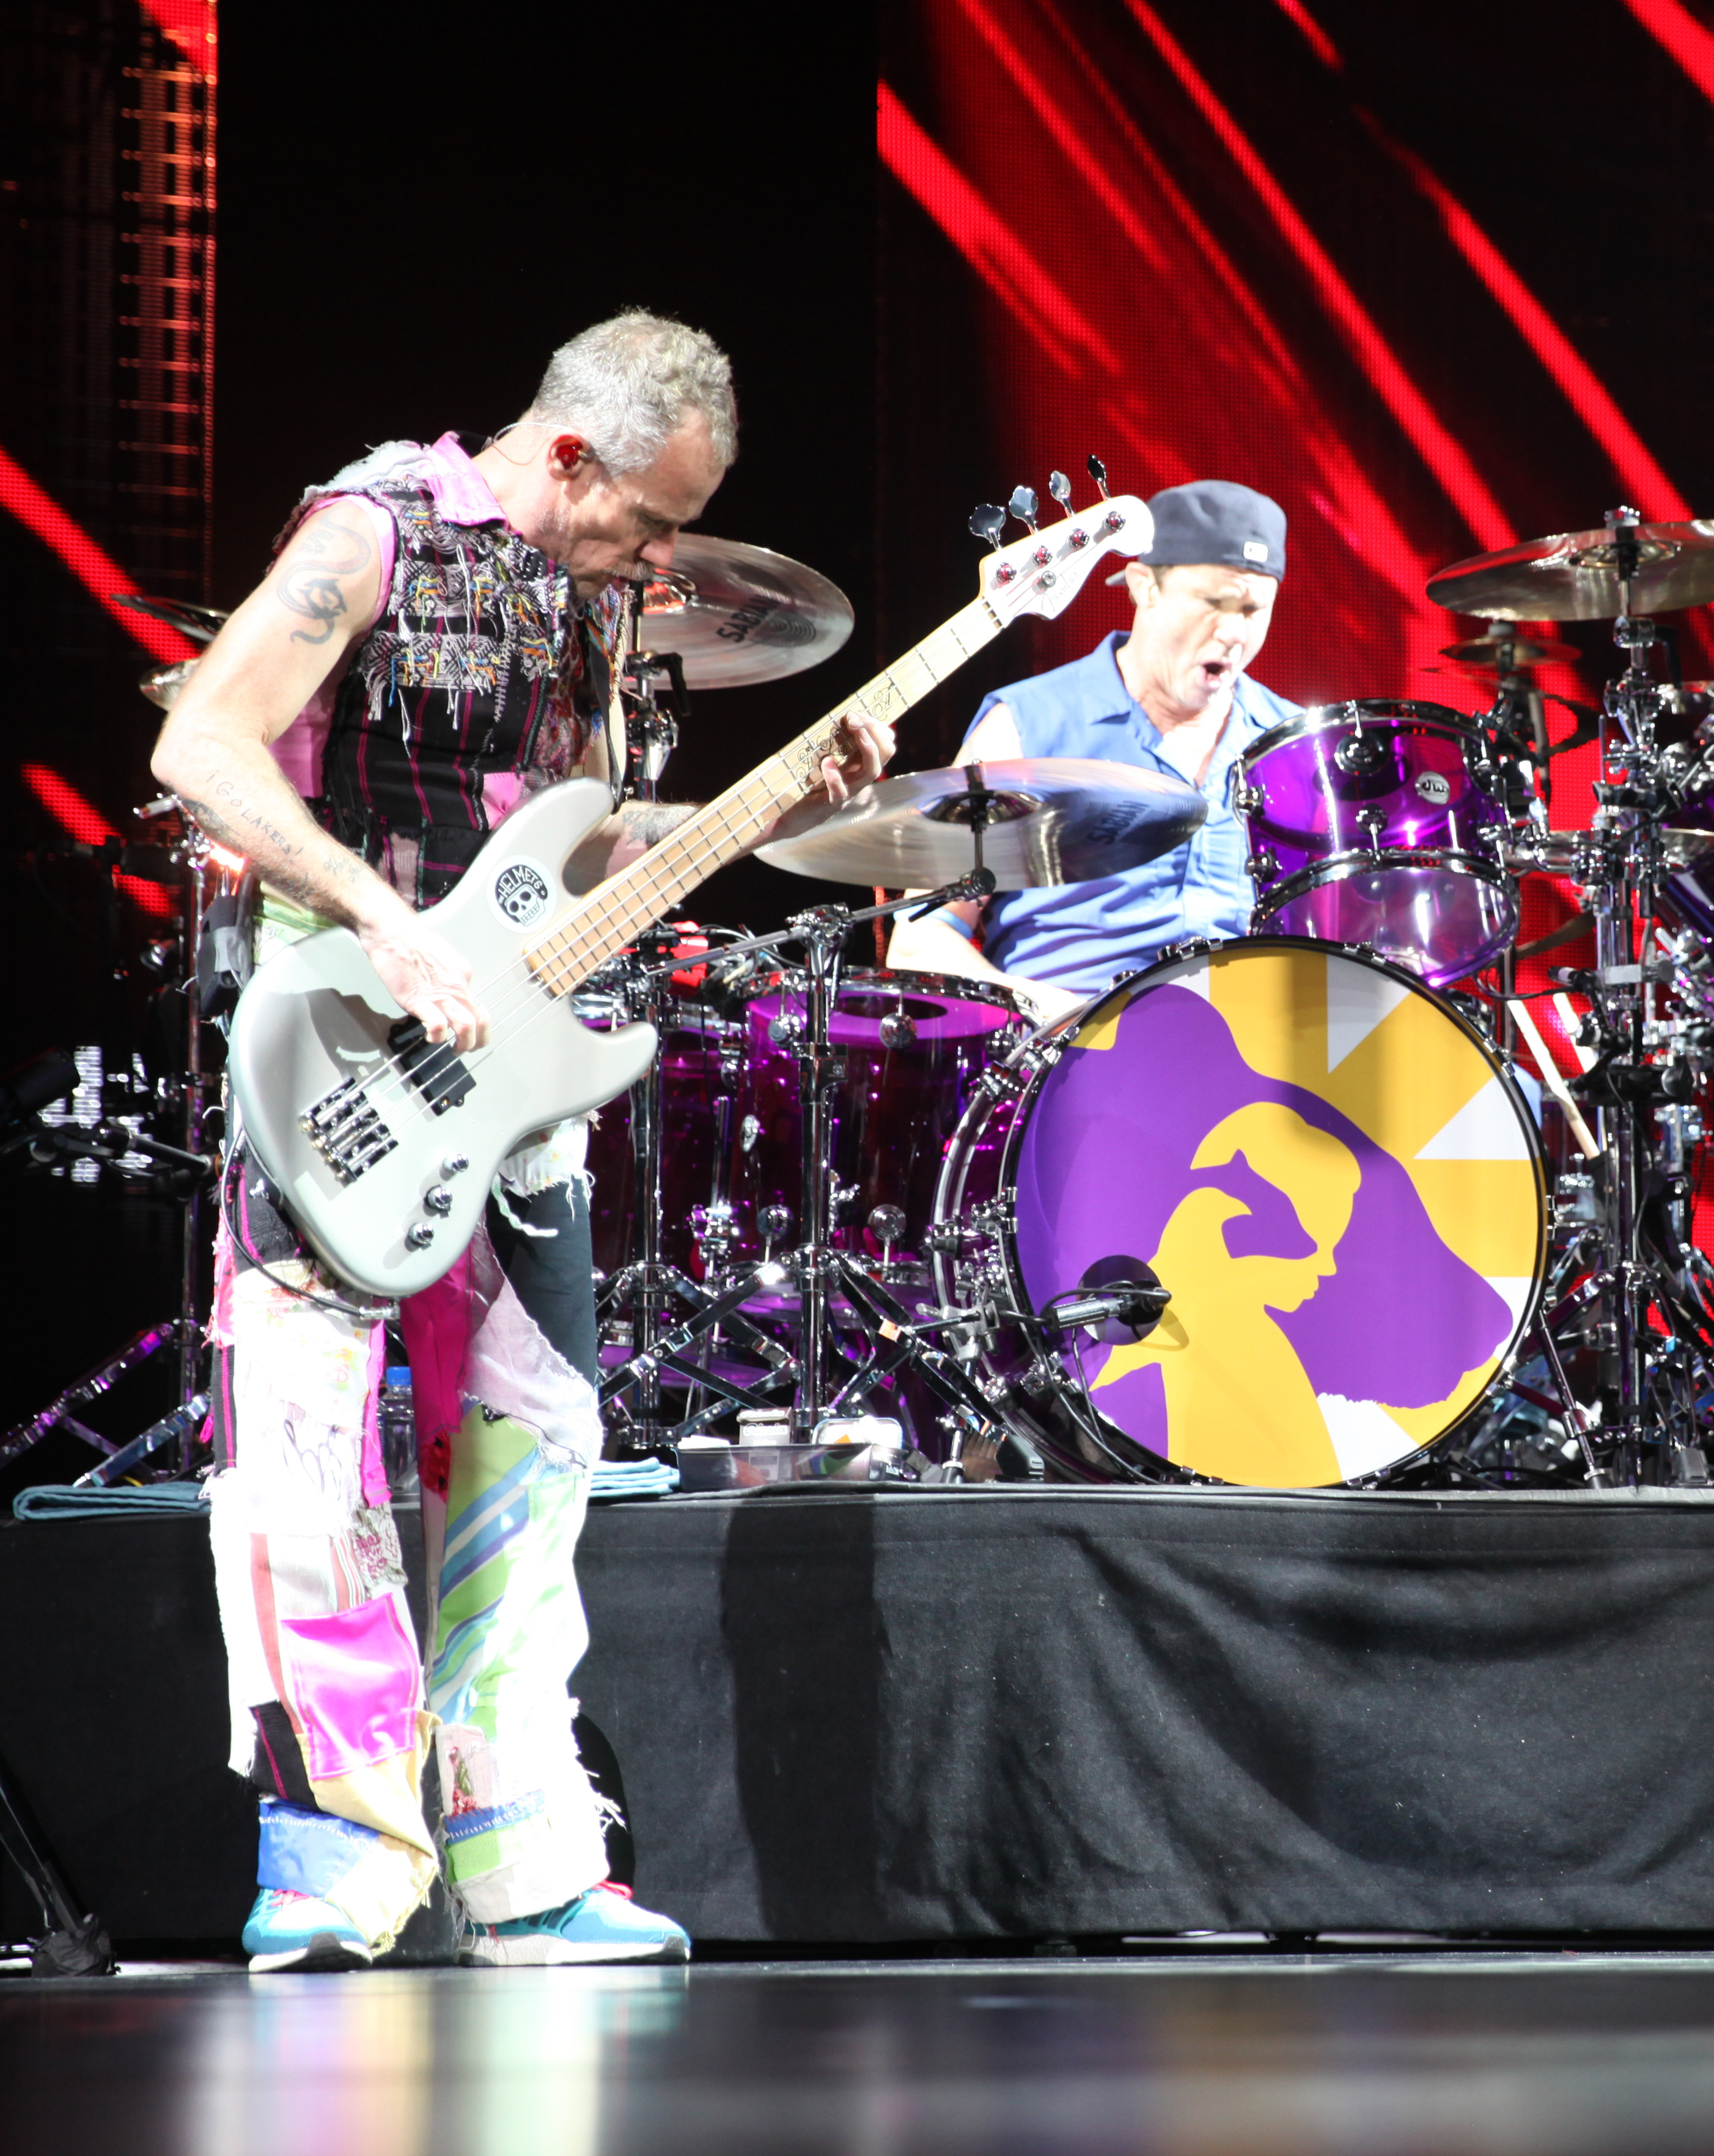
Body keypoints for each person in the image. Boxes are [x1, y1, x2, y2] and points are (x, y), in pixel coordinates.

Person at [150, 312, 891, 1971]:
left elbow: (580, 851)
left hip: (517, 1098)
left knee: (528, 1473)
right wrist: (373, 914)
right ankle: (334, 1862)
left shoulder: (592, 602)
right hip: (341, 1057)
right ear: (565, 454)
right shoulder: (370, 534)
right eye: (641, 519)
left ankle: (528, 1867)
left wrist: (786, 803)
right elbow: (196, 742)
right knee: (302, 1467)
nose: (654, 557)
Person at [886, 480, 1297, 1019]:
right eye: (1214, 603)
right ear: (1144, 586)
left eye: (1253, 609)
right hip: (1066, 1057)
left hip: (1255, 1066)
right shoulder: (1028, 727)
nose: (1234, 633)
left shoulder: (1292, 742)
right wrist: (1047, 1014)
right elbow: (920, 940)